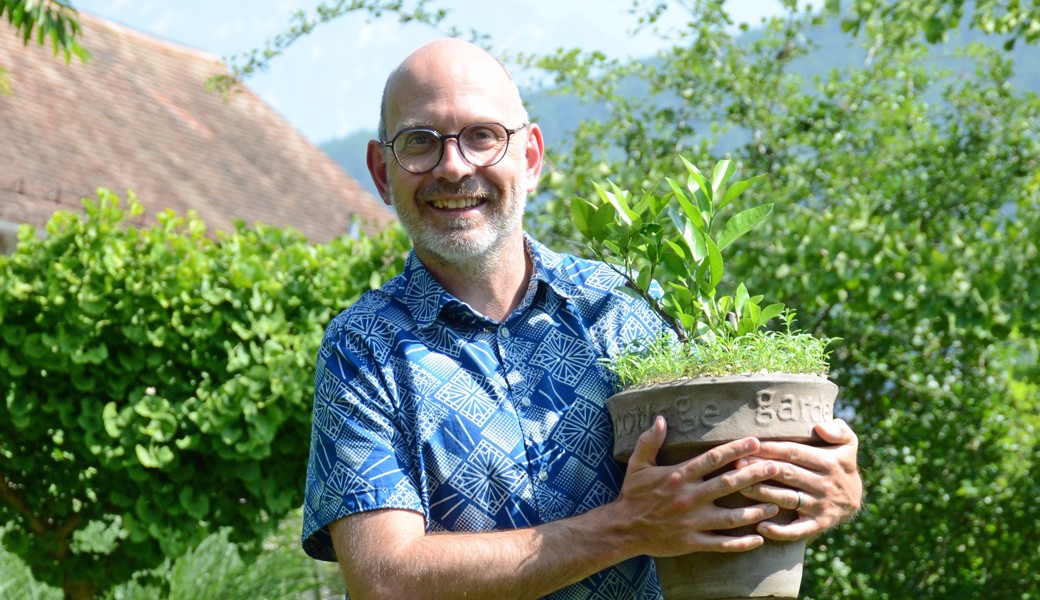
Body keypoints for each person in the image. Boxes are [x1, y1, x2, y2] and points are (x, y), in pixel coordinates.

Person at [302, 38, 862, 599]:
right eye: (420, 142)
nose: (454, 167)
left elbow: (731, 466)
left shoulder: (626, 307)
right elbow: (386, 582)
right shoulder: (363, 349)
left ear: (531, 156)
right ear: (382, 171)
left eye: (482, 136)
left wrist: (819, 484)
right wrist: (627, 528)